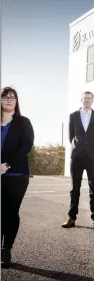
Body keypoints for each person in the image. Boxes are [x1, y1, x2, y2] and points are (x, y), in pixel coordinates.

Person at [1, 86, 34, 268]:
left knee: (10, 212)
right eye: (5, 97)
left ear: (16, 101)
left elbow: (26, 146)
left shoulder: (23, 122)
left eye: (12, 97)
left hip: (16, 174)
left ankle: (6, 249)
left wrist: (6, 165)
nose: (8, 100)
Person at [62, 91, 94, 228]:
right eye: (85, 98)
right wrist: (79, 148)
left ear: (93, 100)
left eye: (89, 98)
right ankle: (71, 217)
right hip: (77, 157)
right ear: (81, 100)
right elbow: (71, 137)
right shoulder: (73, 116)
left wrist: (92, 148)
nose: (87, 100)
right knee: (75, 188)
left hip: (93, 157)